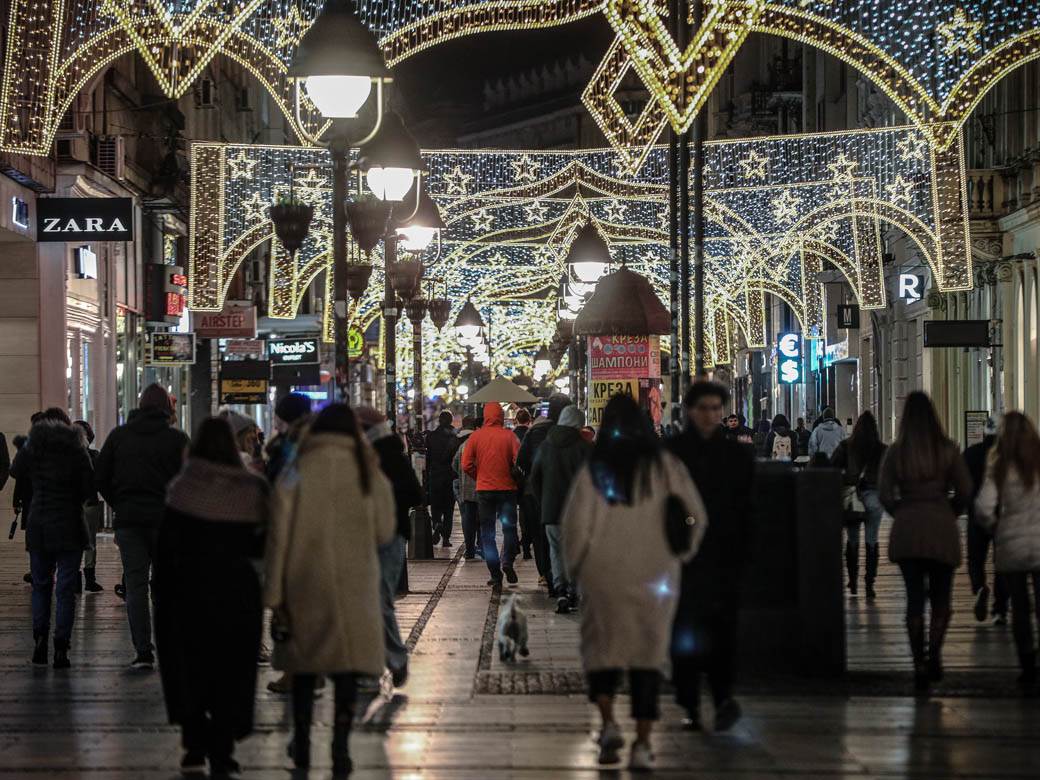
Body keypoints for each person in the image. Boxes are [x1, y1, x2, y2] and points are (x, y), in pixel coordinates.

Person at [562, 394, 707, 770]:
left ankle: (609, 724)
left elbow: (576, 526)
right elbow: (696, 515)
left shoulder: (595, 469)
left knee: (603, 650)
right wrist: (681, 555)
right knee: (648, 655)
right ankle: (642, 742)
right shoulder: (666, 466)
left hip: (603, 572)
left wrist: (575, 568)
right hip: (655, 572)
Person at [265, 404, 395, 776]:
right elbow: (385, 529)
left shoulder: (298, 469)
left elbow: (278, 536)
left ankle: (302, 743)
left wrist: (273, 596)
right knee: (346, 670)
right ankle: (340, 746)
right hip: (355, 586)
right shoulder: (367, 469)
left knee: (305, 671)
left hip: (304, 583)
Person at [154, 418, 268, 777]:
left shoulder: (181, 488)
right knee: (231, 670)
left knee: (190, 666)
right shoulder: (251, 488)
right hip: (236, 592)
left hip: (187, 591)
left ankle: (193, 743)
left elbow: (165, 547)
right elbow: (263, 543)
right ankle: (223, 748)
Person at [667, 381, 754, 732]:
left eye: (717, 408)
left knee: (722, 631)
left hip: (723, 554)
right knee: (684, 631)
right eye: (704, 408)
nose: (711, 415)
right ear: (690, 410)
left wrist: (746, 550)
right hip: (682, 557)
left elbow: (748, 507)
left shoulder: (735, 455)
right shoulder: (672, 453)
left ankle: (722, 697)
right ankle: (689, 699)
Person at [878, 391, 972, 692]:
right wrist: (950, 512)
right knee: (942, 598)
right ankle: (935, 654)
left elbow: (884, 493)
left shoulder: (896, 452)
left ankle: (918, 661)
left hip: (908, 528)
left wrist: (901, 511)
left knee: (914, 598)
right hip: (941, 527)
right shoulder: (947, 449)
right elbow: (966, 490)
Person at [96, 384, 190, 669]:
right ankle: (170, 647)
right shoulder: (177, 439)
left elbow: (100, 477)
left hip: (130, 522)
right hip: (167, 522)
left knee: (136, 586)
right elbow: (191, 481)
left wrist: (119, 504)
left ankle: (143, 651)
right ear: (167, 409)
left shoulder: (119, 436)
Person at [10, 408, 94, 669]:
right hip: (70, 525)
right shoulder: (76, 447)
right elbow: (89, 487)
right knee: (66, 589)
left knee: (41, 585)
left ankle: (39, 639)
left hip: (39, 525)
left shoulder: (34, 447)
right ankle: (61, 648)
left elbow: (15, 471)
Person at [356, 405, 423, 687]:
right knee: (371, 600)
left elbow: (415, 494)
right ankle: (371, 665)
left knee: (379, 598)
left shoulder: (389, 455)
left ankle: (394, 660)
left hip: (391, 535)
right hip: (366, 536)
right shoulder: (361, 456)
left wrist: (384, 501)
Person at [974, 411, 1040, 692]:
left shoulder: (998, 466)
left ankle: (1027, 663)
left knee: (1020, 608)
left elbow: (984, 507)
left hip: (1011, 546)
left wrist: (996, 527)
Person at [529, 405, 592, 614]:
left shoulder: (547, 446)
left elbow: (534, 477)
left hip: (552, 510)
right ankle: (574, 589)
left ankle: (561, 589)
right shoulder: (584, 448)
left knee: (556, 551)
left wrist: (543, 500)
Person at [462, 402, 522, 588]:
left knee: (487, 533)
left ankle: (495, 573)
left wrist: (478, 476)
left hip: (485, 490)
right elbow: (518, 461)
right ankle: (507, 562)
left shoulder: (475, 437)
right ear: (501, 416)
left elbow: (466, 464)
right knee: (509, 528)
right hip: (507, 490)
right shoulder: (509, 436)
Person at [516, 394, 572, 588]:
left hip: (535, 492)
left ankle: (545, 574)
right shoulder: (574, 433)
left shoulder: (536, 431)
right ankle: (563, 578)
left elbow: (521, 460)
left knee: (540, 535)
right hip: (567, 492)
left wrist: (530, 476)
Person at [830, 411, 887, 599]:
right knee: (872, 540)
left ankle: (853, 581)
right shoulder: (881, 449)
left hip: (853, 498)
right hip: (874, 496)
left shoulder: (846, 446)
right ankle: (870, 583)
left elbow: (832, 469)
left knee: (852, 540)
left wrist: (846, 480)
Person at [963, 418, 1009, 623]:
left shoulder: (971, 454)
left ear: (983, 433)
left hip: (977, 514)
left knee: (975, 559)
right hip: (1004, 516)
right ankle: (1000, 609)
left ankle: (980, 587)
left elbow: (960, 482)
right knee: (1002, 564)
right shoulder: (1008, 456)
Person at [73, 420, 105, 594]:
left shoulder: (66, 457)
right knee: (90, 542)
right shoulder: (94, 456)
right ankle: (89, 579)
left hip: (75, 504)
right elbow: (100, 479)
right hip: (89, 503)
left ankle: (77, 579)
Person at [425, 410, 457, 548]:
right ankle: (446, 539)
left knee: (436, 506)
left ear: (439, 421)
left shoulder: (431, 436)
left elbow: (427, 459)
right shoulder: (455, 436)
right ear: (451, 421)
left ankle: (437, 524)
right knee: (449, 509)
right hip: (450, 476)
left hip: (435, 475)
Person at [264, 393, 312, 484]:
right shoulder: (280, 446)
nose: (276, 428)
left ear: (293, 423)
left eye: (280, 423)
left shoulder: (289, 449)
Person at [451, 416, 481, 559]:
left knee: (468, 519)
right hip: (482, 487)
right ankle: (482, 545)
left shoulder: (463, 446)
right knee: (482, 519)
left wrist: (464, 476)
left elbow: (455, 464)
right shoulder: (483, 444)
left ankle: (469, 550)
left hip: (466, 488)